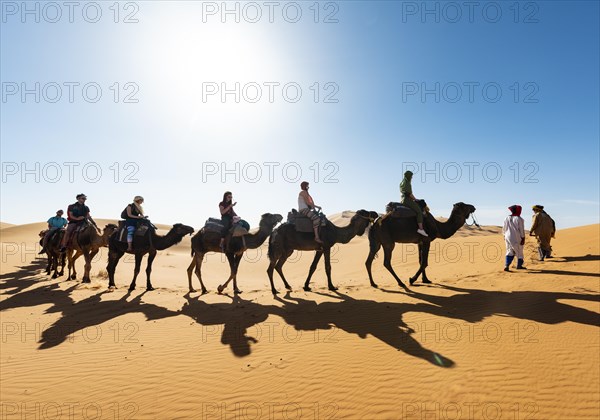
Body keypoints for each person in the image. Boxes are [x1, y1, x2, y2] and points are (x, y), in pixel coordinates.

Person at [400, 171, 428, 237]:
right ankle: (421, 229)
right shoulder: (407, 183)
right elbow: (409, 194)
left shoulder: (402, 182)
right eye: (411, 176)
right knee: (419, 211)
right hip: (407, 200)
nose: (412, 177)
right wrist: (415, 199)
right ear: (408, 176)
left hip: (403, 199)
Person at [502, 205, 526, 271]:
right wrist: (523, 238)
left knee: (509, 251)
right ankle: (519, 265)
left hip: (507, 236)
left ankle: (506, 265)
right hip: (516, 236)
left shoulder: (506, 218)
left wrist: (504, 236)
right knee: (519, 251)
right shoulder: (519, 219)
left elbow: (504, 229)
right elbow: (521, 229)